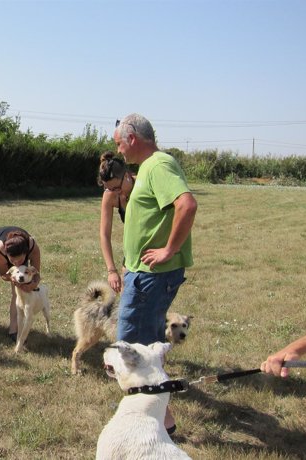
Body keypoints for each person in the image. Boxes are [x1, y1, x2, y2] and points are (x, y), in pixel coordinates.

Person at [114, 113, 198, 434]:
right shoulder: (148, 167)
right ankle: (159, 416)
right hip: (142, 273)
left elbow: (186, 205)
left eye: (119, 143)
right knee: (138, 347)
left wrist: (169, 249)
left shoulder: (159, 165)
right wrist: (129, 261)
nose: (119, 151)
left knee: (135, 347)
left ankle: (161, 420)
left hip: (153, 276)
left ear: (132, 139)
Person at [98, 151, 136, 293]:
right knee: (127, 295)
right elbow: (104, 234)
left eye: (116, 188)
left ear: (126, 176)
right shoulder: (110, 195)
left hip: (153, 247)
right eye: (107, 188)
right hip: (132, 249)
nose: (113, 192)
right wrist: (111, 271)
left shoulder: (142, 185)